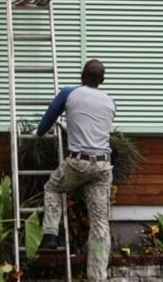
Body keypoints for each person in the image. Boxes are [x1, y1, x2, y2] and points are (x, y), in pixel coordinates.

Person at [35, 59, 115, 281]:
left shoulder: (69, 93)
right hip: (102, 166)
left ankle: (50, 234)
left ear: (82, 76)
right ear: (102, 80)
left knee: (53, 188)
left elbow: (44, 125)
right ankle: (97, 277)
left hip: (77, 163)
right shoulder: (111, 102)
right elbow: (93, 128)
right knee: (100, 223)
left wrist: (45, 131)